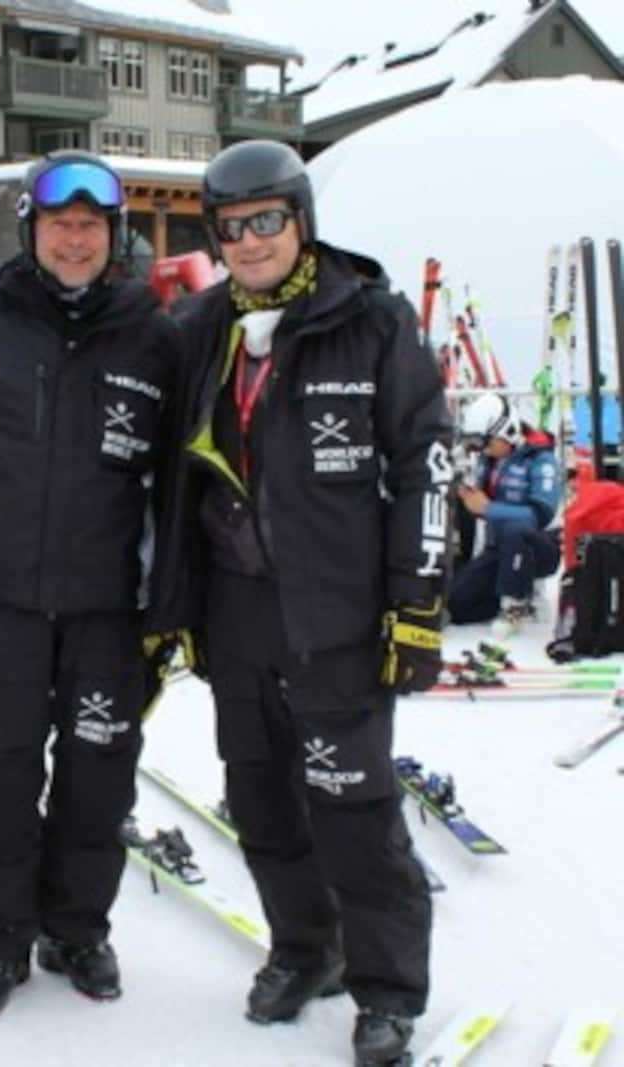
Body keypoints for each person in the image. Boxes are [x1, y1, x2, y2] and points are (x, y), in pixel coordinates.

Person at [163, 140, 453, 1067]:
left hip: (338, 613)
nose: (249, 241)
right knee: (261, 799)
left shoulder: (368, 319)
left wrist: (417, 605)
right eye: (231, 226)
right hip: (237, 607)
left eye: (266, 221)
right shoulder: (200, 327)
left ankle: (388, 991)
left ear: (300, 220)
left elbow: (426, 466)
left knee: (351, 805)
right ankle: (304, 948)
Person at [0, 150, 182, 1022]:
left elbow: (175, 487)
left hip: (109, 612)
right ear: (33, 229)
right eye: (60, 222)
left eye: (92, 225)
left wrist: (169, 607)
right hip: (2, 602)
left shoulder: (156, 336)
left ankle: (76, 929)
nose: (75, 237)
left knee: (99, 780)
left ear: (112, 237)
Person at [448, 393, 561, 637]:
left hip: (539, 546)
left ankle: (515, 605)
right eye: (477, 445)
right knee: (457, 605)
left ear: (507, 430)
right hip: (498, 550)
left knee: (515, 528)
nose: (483, 450)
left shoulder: (541, 459)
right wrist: (468, 499)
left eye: (485, 442)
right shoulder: (490, 462)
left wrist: (488, 508)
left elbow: (542, 514)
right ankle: (511, 598)